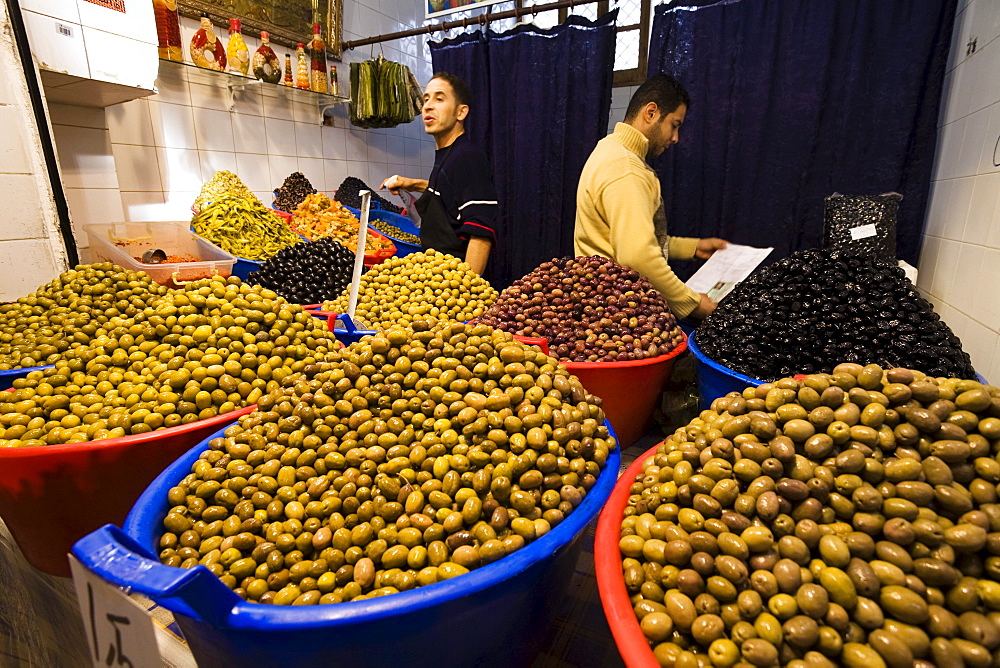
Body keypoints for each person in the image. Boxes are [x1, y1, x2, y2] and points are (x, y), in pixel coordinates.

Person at [575, 75, 729, 321]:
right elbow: (638, 256)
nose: (675, 137)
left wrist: (694, 247)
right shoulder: (627, 168)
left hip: (600, 307)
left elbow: (626, 237)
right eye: (675, 124)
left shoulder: (608, 149)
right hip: (617, 315)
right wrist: (692, 303)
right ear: (651, 113)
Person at [380, 72, 498, 275]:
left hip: (453, 285)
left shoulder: (467, 157)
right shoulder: (449, 154)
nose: (428, 105)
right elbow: (451, 192)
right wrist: (411, 183)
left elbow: (481, 232)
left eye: (439, 99)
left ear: (460, 113)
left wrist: (467, 292)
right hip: (438, 277)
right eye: (426, 99)